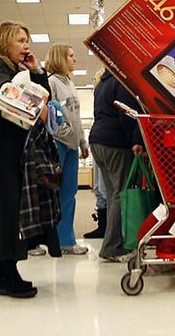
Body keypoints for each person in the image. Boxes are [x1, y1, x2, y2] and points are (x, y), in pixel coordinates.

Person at [0, 21, 49, 298]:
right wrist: (33, 102)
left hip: (12, 149)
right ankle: (6, 274)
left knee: (10, 209)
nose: (26, 45)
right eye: (20, 40)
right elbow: (5, 96)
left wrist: (36, 70)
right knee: (3, 210)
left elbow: (44, 95)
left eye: (26, 40)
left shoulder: (16, 70)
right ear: (5, 41)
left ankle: (4, 267)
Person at [89, 68, 144, 262]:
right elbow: (127, 115)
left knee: (114, 194)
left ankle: (113, 244)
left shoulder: (102, 83)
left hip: (97, 140)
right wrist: (135, 140)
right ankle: (112, 247)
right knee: (121, 193)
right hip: (115, 142)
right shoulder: (121, 82)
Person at [40, 43, 89, 255]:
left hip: (71, 146)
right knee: (51, 193)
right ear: (60, 58)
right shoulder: (51, 83)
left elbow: (75, 117)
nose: (74, 59)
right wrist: (61, 134)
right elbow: (49, 114)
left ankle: (66, 240)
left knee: (69, 193)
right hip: (57, 144)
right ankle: (43, 240)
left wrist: (82, 142)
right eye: (70, 56)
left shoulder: (70, 83)